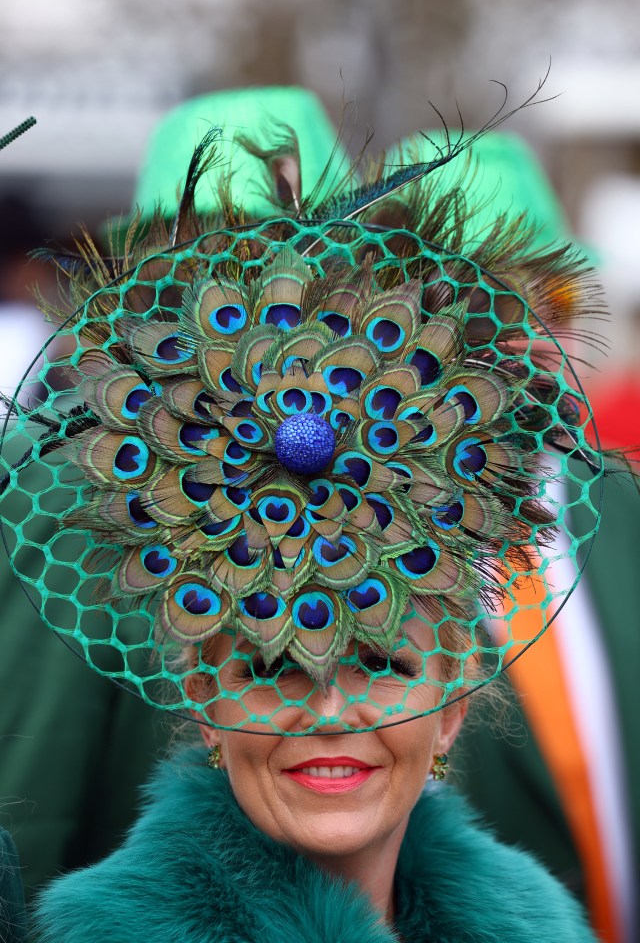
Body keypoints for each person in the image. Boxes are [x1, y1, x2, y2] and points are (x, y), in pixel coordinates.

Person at [0, 85, 611, 941]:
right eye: (268, 665)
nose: (329, 704)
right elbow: (31, 777)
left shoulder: (441, 473)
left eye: (381, 663)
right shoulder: (70, 477)